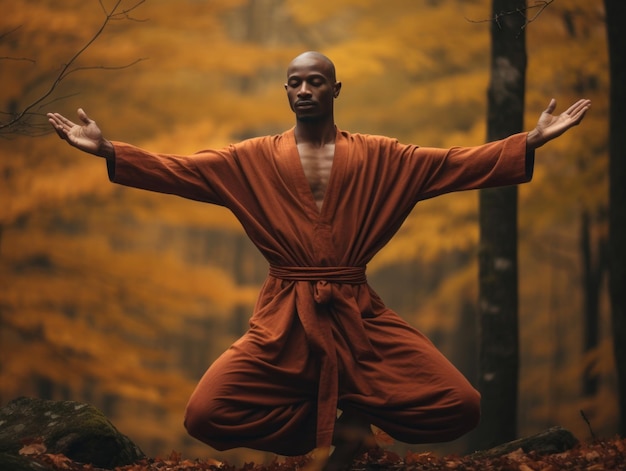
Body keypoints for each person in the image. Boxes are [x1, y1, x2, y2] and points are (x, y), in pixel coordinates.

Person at [48, 51, 590, 470]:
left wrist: (531, 140)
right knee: (206, 414)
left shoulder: (382, 156)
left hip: (358, 312)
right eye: (295, 82)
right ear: (285, 91)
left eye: (315, 81)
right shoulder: (251, 158)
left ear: (336, 88)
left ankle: (355, 421)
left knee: (461, 404)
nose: (304, 89)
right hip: (283, 315)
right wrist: (110, 150)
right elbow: (182, 170)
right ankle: (335, 425)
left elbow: (451, 164)